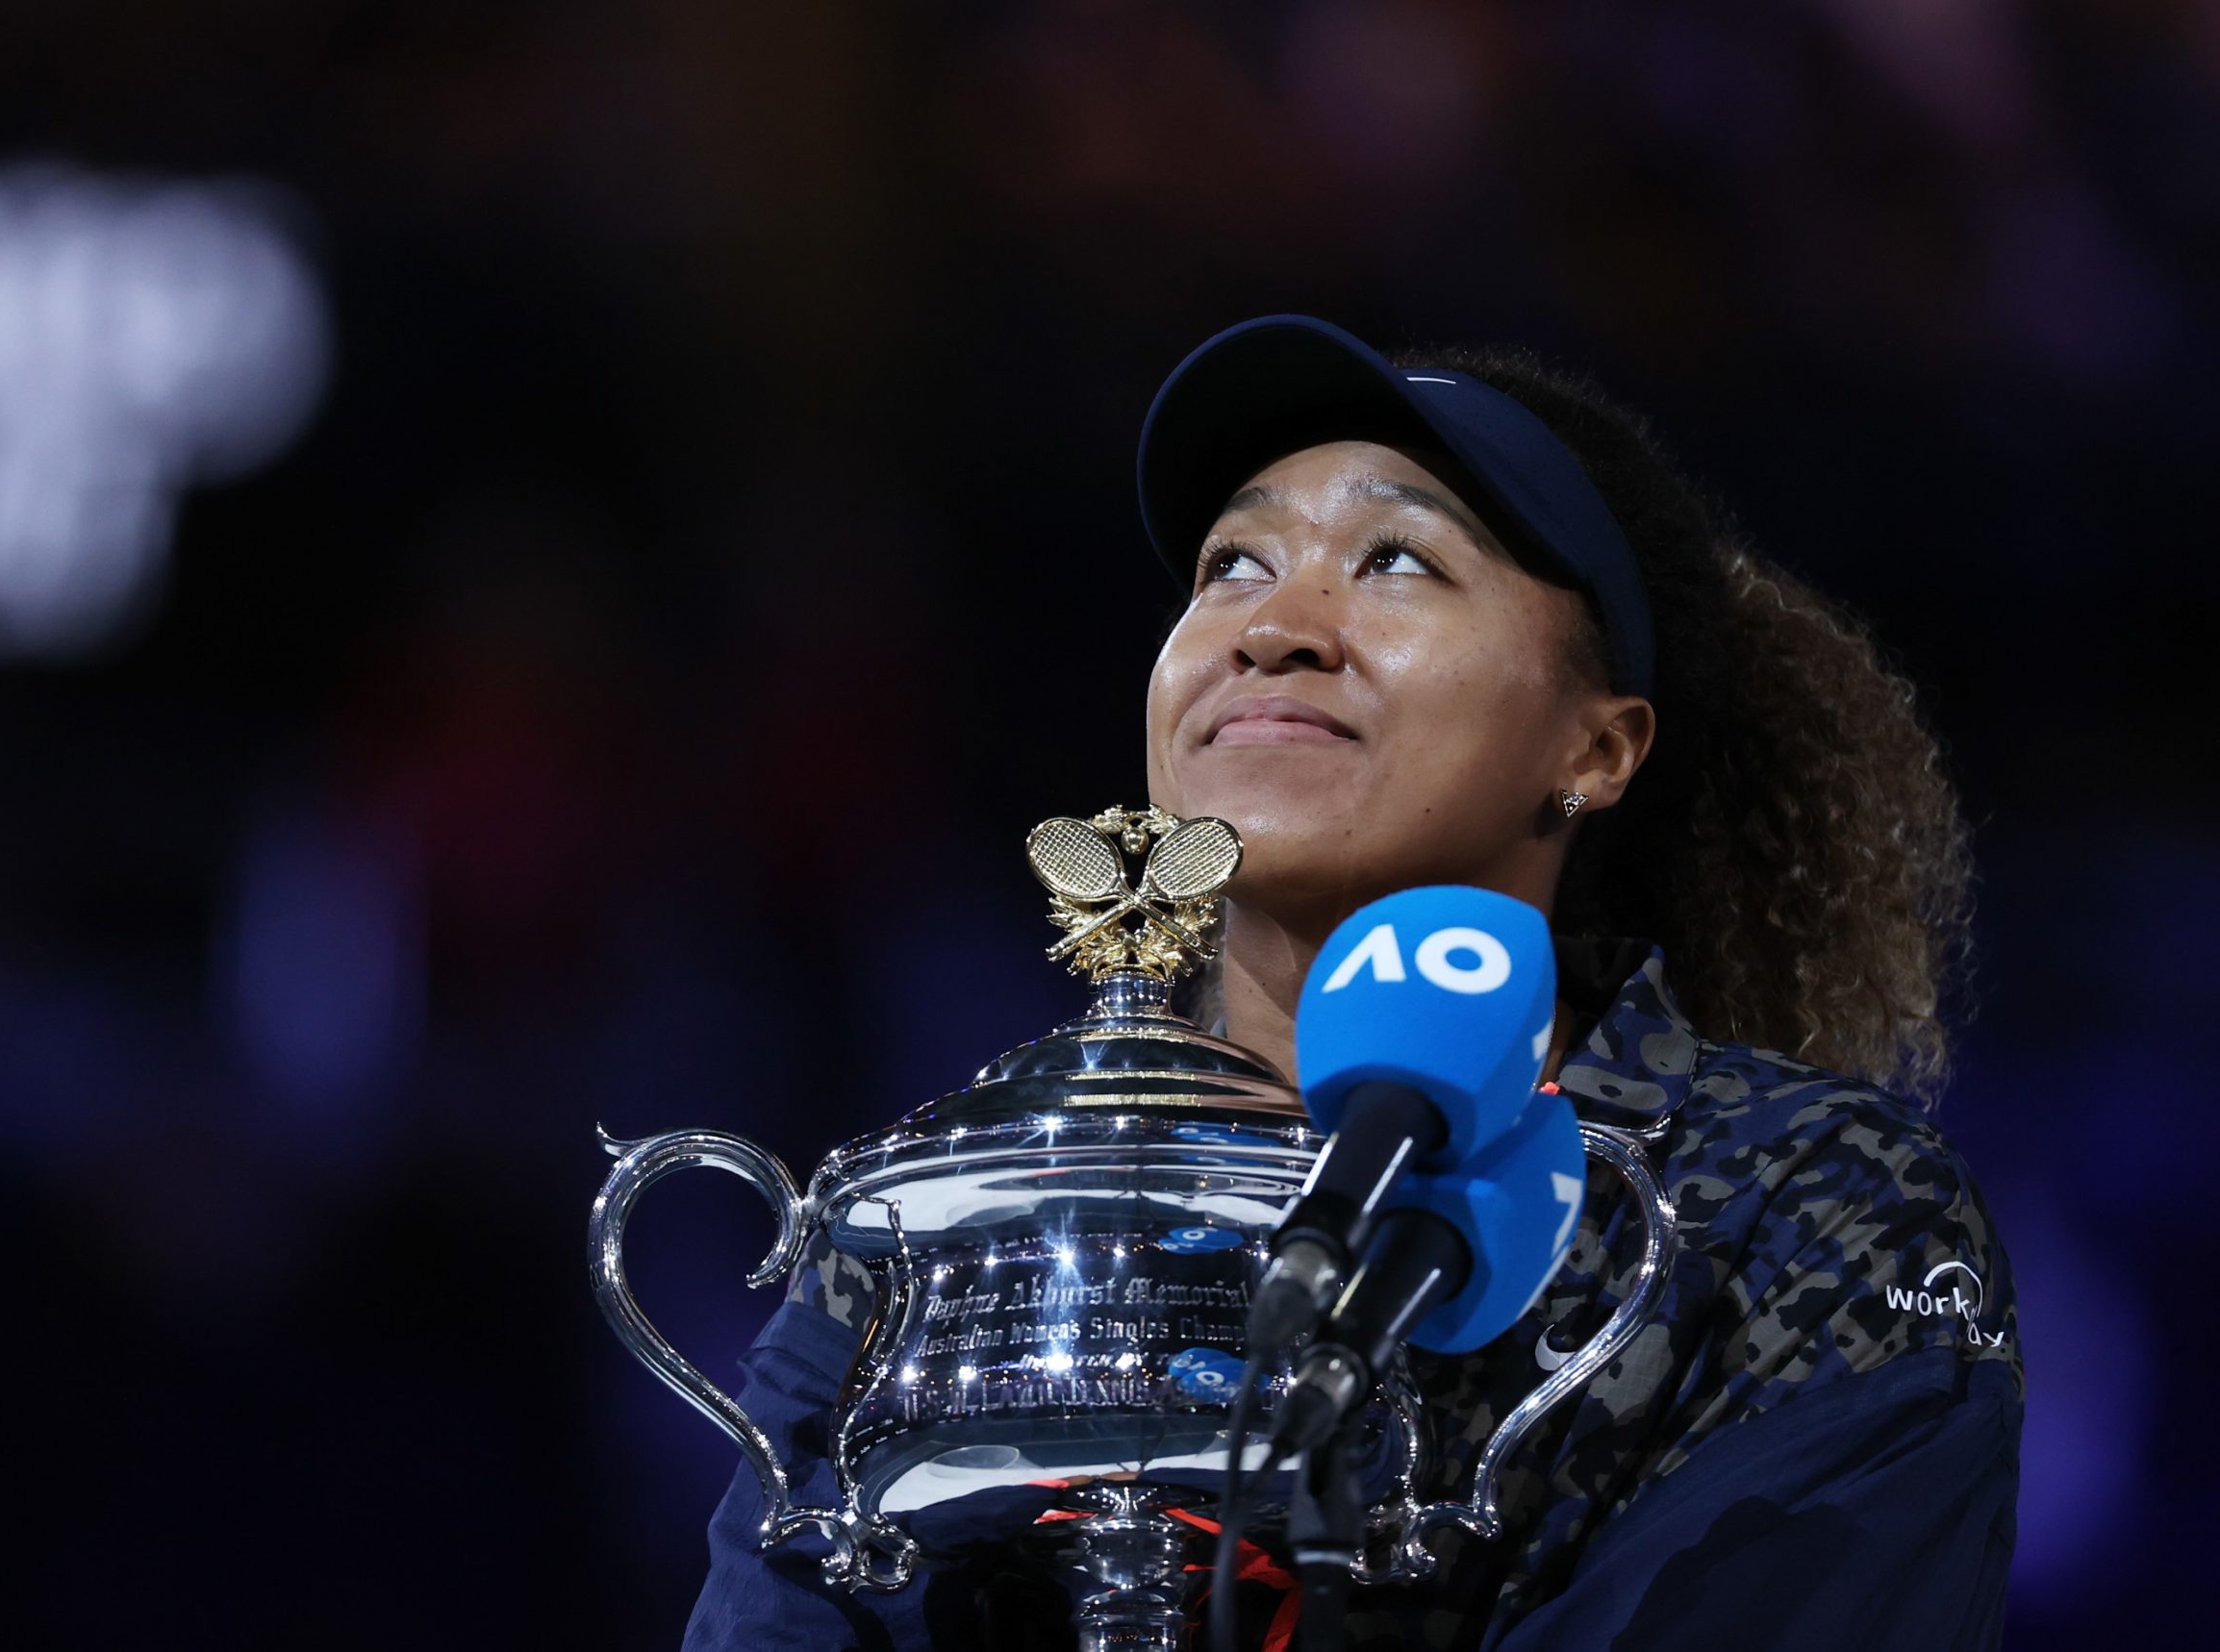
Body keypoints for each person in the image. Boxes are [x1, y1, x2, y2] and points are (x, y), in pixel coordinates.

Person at [681, 316, 2021, 1651]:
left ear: (1596, 746)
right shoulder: (971, 1210)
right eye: (1232, 563)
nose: (1273, 626)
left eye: (1396, 560)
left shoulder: (1808, 1212)